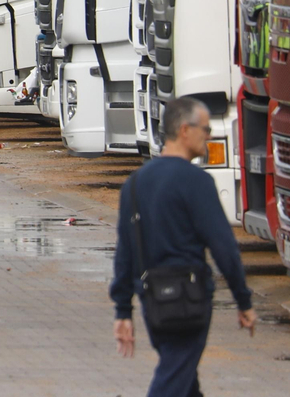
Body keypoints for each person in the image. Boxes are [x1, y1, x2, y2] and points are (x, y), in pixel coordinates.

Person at [112, 96, 257, 396]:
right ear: (184, 130)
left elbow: (125, 253)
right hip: (189, 301)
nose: (209, 136)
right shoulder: (196, 181)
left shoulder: (135, 184)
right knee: (173, 378)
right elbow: (224, 247)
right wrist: (243, 300)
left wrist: (123, 310)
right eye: (205, 129)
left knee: (183, 379)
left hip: (153, 303)